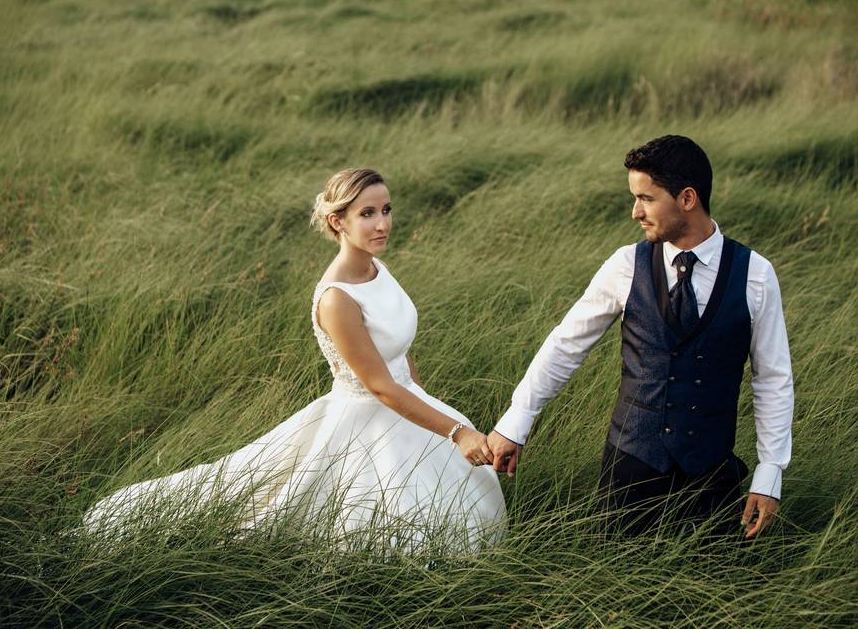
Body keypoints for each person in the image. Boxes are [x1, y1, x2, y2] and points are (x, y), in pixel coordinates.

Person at [84, 168, 506, 552]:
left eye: (386, 209)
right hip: (366, 421)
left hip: (408, 404)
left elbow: (398, 349)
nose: (383, 223)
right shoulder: (337, 298)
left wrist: (428, 406)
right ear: (337, 222)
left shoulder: (379, 268)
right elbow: (378, 385)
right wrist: (456, 431)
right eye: (367, 214)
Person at [487, 135, 793, 538]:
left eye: (646, 198)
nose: (636, 212)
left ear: (687, 198)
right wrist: (517, 421)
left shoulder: (755, 274)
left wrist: (769, 472)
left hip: (711, 479)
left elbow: (772, 378)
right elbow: (566, 345)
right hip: (628, 471)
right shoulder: (625, 265)